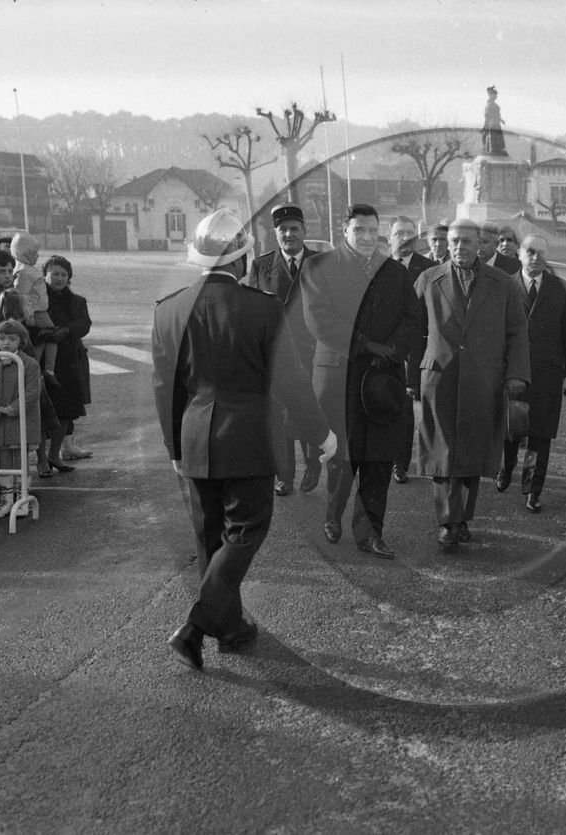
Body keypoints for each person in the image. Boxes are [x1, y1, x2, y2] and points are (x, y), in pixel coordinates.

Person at [155, 209, 336, 671]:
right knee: (245, 532)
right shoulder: (262, 306)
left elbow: (165, 388)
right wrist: (320, 435)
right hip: (249, 436)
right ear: (240, 260)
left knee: (209, 538)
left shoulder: (169, 309)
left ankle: (230, 628)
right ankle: (196, 626)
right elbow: (291, 380)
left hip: (195, 436)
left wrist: (175, 449)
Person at [301, 205, 419, 558]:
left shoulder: (395, 273)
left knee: (380, 456)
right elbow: (318, 319)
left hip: (384, 380)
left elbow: (413, 319)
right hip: (340, 375)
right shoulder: (319, 267)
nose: (367, 237)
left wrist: (393, 349)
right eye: (359, 230)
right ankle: (333, 515)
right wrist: (367, 345)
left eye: (372, 231)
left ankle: (370, 532)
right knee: (341, 455)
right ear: (345, 230)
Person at [411, 218, 529, 548]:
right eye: (454, 241)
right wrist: (412, 375)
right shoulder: (427, 280)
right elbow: (412, 330)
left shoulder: (503, 283)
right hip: (439, 377)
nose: (460, 247)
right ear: (446, 244)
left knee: (473, 450)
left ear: (480, 244)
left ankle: (462, 516)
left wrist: (516, 374)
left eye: (466, 241)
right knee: (442, 448)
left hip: (483, 378)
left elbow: (518, 332)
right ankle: (448, 521)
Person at [497, 234, 566, 513]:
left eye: (541, 254)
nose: (536, 258)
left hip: (548, 372)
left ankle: (533, 488)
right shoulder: (504, 285)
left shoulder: (560, 288)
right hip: (513, 371)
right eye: (530, 252)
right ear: (519, 254)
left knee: (540, 434)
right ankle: (505, 468)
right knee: (512, 427)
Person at [247, 203, 323, 496]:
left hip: (312, 351)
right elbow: (253, 311)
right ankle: (285, 475)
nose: (289, 235)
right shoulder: (261, 266)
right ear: (275, 234)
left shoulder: (321, 262)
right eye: (283, 230)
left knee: (309, 409)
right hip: (277, 354)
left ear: (304, 231)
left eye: (294, 229)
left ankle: (313, 463)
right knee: (280, 415)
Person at [385, 218, 435, 484]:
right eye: (398, 233)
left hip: (421, 350)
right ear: (388, 236)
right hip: (389, 351)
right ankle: (398, 463)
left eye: (408, 233)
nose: (403, 238)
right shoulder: (379, 267)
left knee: (426, 411)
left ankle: (430, 461)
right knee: (398, 410)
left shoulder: (429, 269)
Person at [0, 319, 41, 520]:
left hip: (20, 421)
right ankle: (6, 502)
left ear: (21, 341)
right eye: (2, 338)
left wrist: (12, 408)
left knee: (21, 461)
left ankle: (22, 499)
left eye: (12, 338)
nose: (6, 342)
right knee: (4, 461)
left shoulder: (30, 364)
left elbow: (32, 393)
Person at [43, 255, 92, 474]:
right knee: (45, 411)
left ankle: (54, 454)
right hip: (46, 361)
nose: (59, 278)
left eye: (63, 274)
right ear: (45, 275)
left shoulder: (77, 301)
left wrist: (67, 331)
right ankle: (43, 459)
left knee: (65, 411)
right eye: (55, 274)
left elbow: (84, 323)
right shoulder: (39, 299)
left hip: (69, 361)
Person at [11, 233, 58, 381]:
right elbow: (23, 295)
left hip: (39, 311)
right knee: (51, 337)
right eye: (35, 252)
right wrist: (29, 314)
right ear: (26, 253)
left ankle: (35, 368)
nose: (37, 256)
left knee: (41, 340)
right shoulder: (24, 272)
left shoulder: (26, 269)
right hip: (38, 312)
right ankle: (48, 369)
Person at [481, 85, 507, 156]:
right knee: (493, 138)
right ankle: (492, 150)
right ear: (491, 95)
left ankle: (498, 150)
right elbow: (486, 114)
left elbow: (497, 115)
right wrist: (491, 120)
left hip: (496, 124)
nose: (496, 96)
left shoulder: (494, 105)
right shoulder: (489, 104)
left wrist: (501, 120)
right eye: (495, 94)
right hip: (492, 124)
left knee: (498, 139)